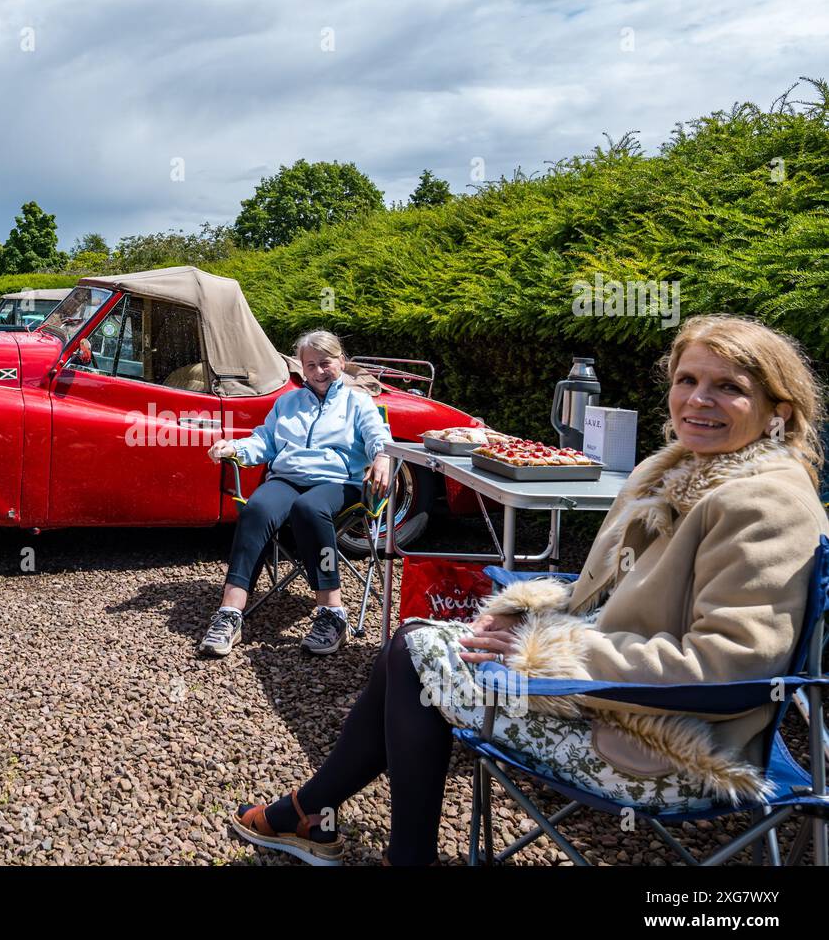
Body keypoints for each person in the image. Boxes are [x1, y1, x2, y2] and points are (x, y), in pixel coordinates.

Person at [230, 314, 829, 865]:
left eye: (728, 387)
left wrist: (550, 656)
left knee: (412, 658)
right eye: (688, 379)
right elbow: (606, 595)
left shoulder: (762, 502)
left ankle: (340, 828)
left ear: (778, 408)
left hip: (675, 741)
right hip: (624, 689)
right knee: (412, 642)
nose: (698, 399)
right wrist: (529, 616)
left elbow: (728, 668)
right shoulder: (675, 470)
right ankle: (329, 823)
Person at [199, 330, 392, 658]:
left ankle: (332, 613)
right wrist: (235, 446)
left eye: (326, 363)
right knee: (256, 509)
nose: (318, 371)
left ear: (341, 362)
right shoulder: (286, 402)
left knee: (309, 508)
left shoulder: (358, 402)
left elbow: (378, 435)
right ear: (302, 368)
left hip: (337, 483)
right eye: (311, 365)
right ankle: (230, 613)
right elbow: (265, 441)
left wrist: (383, 456)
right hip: (286, 479)